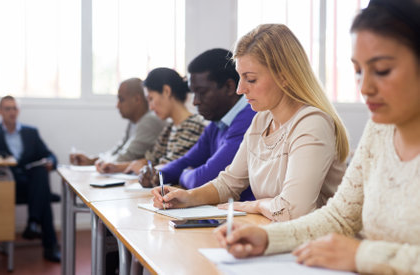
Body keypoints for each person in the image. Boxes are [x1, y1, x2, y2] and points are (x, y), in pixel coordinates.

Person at [214, 0, 420, 273]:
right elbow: (339, 217)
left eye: (381, 70)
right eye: (358, 71)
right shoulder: (379, 129)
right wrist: (268, 238)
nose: (365, 87)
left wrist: (363, 255)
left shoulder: (313, 122)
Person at [152, 25, 349, 221]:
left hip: (315, 244)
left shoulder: (312, 123)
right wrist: (187, 198)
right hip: (275, 234)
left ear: (284, 77)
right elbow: (229, 183)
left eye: (251, 79)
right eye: (240, 78)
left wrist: (253, 205)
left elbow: (291, 211)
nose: (240, 89)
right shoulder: (261, 120)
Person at [140, 48, 256, 201]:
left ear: (229, 87)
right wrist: (157, 173)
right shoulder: (217, 122)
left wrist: (184, 174)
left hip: (246, 217)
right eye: (194, 93)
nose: (195, 101)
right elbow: (187, 161)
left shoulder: (249, 119)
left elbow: (204, 178)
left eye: (201, 92)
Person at [0, 96, 61, 262]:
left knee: (41, 174)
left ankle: (33, 223)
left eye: (14, 108)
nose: (12, 112)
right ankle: (45, 239)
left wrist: (50, 162)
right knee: (44, 196)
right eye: (7, 108)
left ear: (18, 111)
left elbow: (50, 155)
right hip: (6, 184)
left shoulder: (31, 132)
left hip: (30, 183)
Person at [96, 67, 206, 175]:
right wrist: (116, 167)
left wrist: (145, 168)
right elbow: (153, 159)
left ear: (166, 91)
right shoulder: (170, 127)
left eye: (151, 99)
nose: (151, 107)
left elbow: (170, 167)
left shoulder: (193, 125)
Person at [69, 78, 167, 171]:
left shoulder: (150, 121)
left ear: (137, 99)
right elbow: (117, 151)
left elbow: (126, 157)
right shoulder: (133, 122)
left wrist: (100, 163)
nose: (117, 105)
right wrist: (92, 160)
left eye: (121, 99)